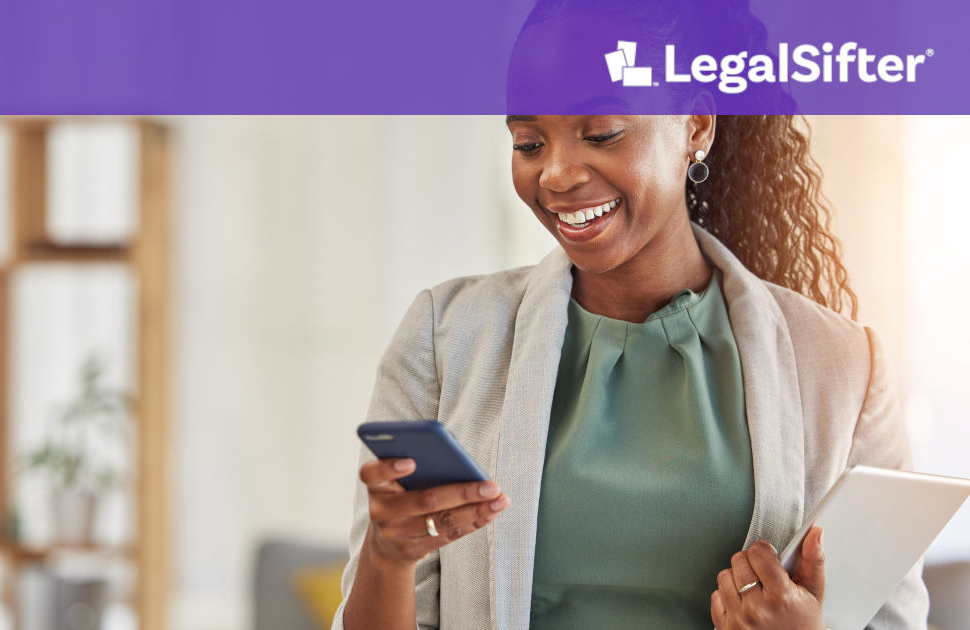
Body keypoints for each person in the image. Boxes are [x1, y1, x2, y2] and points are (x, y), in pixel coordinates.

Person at [331, 114, 928, 630]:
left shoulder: (845, 366)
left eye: (601, 134)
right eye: (529, 143)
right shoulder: (446, 337)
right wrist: (388, 558)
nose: (557, 175)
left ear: (695, 126)